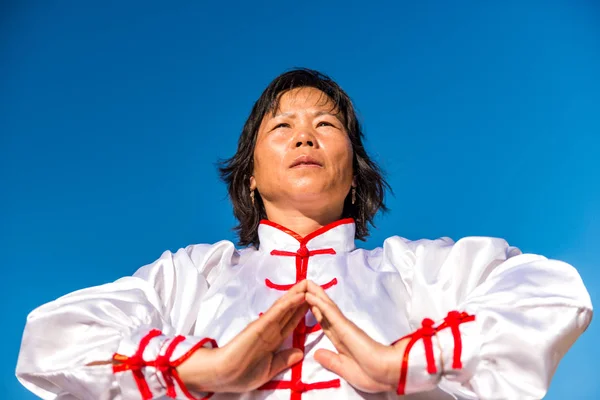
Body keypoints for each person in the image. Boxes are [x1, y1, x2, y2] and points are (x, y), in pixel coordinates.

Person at [16, 68, 592, 400]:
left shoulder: (416, 269)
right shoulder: (194, 275)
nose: (305, 137)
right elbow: (53, 339)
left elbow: (550, 292)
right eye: (282, 127)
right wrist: (201, 368)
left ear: (356, 174)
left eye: (326, 125)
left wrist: (407, 361)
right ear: (248, 178)